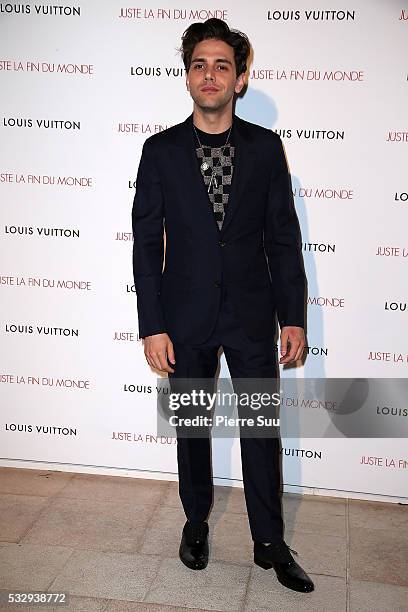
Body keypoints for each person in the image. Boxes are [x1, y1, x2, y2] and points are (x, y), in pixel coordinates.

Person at [132, 18, 313, 593]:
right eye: (199, 65)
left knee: (261, 429)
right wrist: (152, 325)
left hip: (252, 313)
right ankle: (195, 522)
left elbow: (283, 238)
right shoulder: (159, 151)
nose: (209, 75)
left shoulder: (265, 148)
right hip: (183, 317)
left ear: (239, 79)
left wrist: (294, 316)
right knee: (192, 425)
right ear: (187, 77)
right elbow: (145, 244)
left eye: (222, 66)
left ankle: (269, 541)